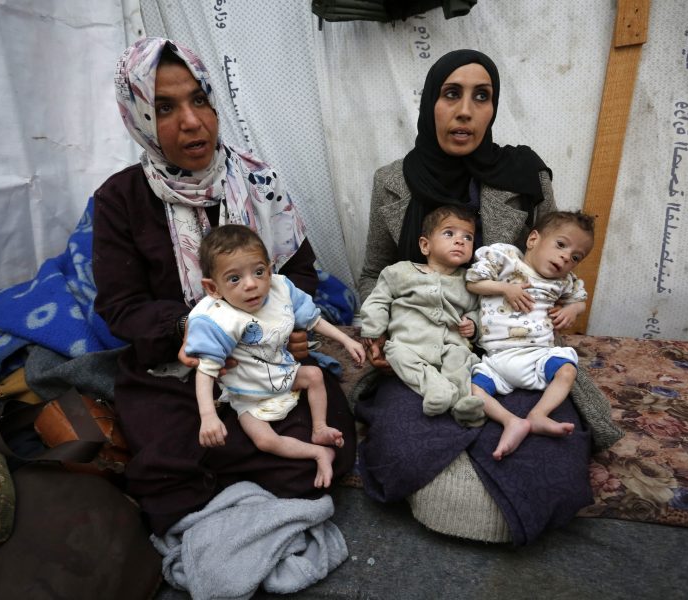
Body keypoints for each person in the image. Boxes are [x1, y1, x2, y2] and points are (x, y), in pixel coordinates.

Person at [92, 37, 357, 535]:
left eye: (199, 99)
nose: (191, 121)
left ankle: (221, 479)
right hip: (177, 369)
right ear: (138, 117)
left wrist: (292, 329)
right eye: (164, 107)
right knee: (165, 475)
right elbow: (120, 307)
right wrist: (189, 328)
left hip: (266, 363)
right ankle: (230, 473)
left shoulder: (259, 181)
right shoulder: (119, 200)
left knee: (328, 453)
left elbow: (297, 272)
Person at [355, 48, 611, 545]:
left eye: (482, 96)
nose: (466, 111)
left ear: (494, 108)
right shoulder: (392, 181)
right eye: (451, 94)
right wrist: (382, 331)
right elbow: (372, 272)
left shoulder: (525, 176)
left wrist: (564, 308)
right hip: (426, 341)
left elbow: (550, 262)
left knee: (553, 451)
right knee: (408, 444)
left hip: (508, 343)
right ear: (431, 102)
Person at [185, 225, 365, 488]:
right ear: (213, 288)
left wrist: (347, 340)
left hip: (283, 372)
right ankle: (317, 453)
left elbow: (313, 320)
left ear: (270, 269)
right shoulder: (216, 319)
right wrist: (208, 416)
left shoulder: (280, 289)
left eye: (259, 272)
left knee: (314, 375)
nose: (251, 284)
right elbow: (205, 370)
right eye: (234, 279)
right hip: (247, 391)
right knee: (265, 441)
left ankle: (320, 429)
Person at [466, 211, 595, 461]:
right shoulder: (506, 260)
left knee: (568, 369)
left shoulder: (563, 282)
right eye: (561, 244)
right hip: (497, 359)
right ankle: (511, 421)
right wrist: (506, 288)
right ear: (533, 239)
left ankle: (538, 415)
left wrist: (572, 309)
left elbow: (580, 301)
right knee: (471, 388)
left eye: (575, 257)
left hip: (538, 356)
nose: (566, 257)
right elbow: (472, 282)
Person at [358, 205, 483, 419]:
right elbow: (378, 299)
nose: (460, 241)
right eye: (449, 233)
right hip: (409, 343)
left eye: (468, 237)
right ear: (425, 245)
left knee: (461, 360)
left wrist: (473, 323)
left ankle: (463, 402)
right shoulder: (399, 272)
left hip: (450, 344)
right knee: (396, 354)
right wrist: (373, 329)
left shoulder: (470, 282)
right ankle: (435, 388)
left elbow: (480, 310)